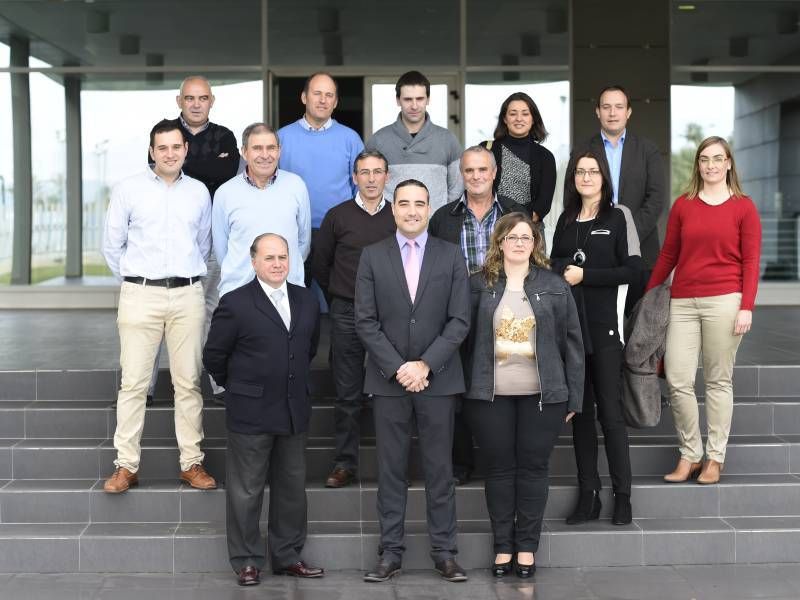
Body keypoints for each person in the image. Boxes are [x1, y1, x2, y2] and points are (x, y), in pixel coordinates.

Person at [355, 179, 470, 583]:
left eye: (420, 204)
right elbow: (365, 322)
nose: (412, 211)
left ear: (428, 208)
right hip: (389, 381)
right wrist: (399, 367)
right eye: (403, 203)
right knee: (390, 470)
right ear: (393, 209)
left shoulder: (451, 256)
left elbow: (460, 320)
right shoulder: (371, 257)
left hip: (438, 380)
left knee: (440, 469)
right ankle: (390, 552)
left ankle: (445, 552)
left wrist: (425, 365)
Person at [463, 212, 583, 578]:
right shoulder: (477, 285)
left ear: (535, 244)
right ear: (499, 242)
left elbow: (574, 344)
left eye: (526, 237)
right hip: (489, 396)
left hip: (543, 397)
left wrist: (573, 398)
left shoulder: (554, 286)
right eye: (512, 237)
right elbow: (462, 341)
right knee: (498, 470)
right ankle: (503, 546)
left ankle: (527, 547)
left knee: (533, 470)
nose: (519, 243)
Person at [101, 119, 216, 494]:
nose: (169, 153)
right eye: (161, 147)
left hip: (187, 295)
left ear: (186, 149)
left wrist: (178, 278)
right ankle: (125, 466)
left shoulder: (199, 192)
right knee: (133, 383)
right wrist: (139, 282)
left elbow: (203, 245)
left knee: (188, 383)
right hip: (140, 295)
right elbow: (111, 246)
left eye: (175, 147)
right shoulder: (128, 189)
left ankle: (191, 463)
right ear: (152, 151)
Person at [203, 233, 323, 586]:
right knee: (246, 490)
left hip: (293, 409)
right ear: (253, 262)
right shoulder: (236, 302)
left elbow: (308, 348)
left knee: (291, 488)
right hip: (250, 412)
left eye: (282, 257)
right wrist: (240, 387)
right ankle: (246, 561)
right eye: (269, 258)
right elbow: (214, 356)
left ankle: (287, 557)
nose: (277, 264)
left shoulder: (305, 300)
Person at [648, 136, 761, 485]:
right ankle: (690, 454)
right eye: (704, 159)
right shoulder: (684, 205)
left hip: (726, 301)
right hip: (682, 300)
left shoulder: (744, 207)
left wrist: (747, 306)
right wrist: (650, 294)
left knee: (717, 380)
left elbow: (752, 261)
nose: (710, 165)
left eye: (717, 159)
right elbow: (669, 254)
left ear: (728, 163)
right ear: (698, 165)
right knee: (679, 378)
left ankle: (715, 458)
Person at [551, 151, 643, 526]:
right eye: (580, 171)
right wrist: (564, 271)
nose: (586, 177)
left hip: (606, 331)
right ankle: (588, 495)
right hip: (572, 335)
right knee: (581, 417)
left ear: (604, 177)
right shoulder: (566, 219)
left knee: (610, 415)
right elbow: (553, 265)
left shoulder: (618, 216)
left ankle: (623, 497)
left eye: (593, 171)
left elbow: (635, 271)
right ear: (573, 178)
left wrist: (585, 276)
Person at [144, 76, 240, 406]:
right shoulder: (165, 131)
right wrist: (206, 166)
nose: (196, 104)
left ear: (211, 100)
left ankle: (214, 383)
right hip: (167, 238)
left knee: (210, 310)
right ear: (179, 100)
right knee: (154, 316)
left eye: (202, 98)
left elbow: (226, 172)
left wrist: (185, 165)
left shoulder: (225, 135)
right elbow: (160, 169)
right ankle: (147, 389)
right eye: (190, 98)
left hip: (209, 237)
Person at [428, 145, 520, 485]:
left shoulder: (514, 213)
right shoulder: (443, 218)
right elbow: (432, 270)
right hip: (458, 314)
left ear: (494, 173)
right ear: (461, 175)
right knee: (459, 389)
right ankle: (461, 463)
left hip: (507, 312)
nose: (476, 176)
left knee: (505, 387)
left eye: (483, 170)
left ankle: (502, 462)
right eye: (469, 171)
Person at [311, 150, 396, 488]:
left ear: (387, 176)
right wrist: (339, 293)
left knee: (391, 389)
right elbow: (320, 264)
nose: (371, 178)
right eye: (364, 172)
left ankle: (393, 462)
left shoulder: (399, 215)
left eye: (377, 172)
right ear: (354, 177)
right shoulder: (337, 216)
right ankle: (345, 463)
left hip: (391, 313)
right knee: (347, 393)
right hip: (347, 311)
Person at [568, 85, 666, 269]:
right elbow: (571, 195)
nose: (612, 113)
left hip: (641, 248)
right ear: (598, 111)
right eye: (606, 107)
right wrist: (598, 234)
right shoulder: (582, 150)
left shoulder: (648, 150)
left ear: (628, 112)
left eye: (619, 107)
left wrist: (626, 234)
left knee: (639, 299)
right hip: (592, 247)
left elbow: (656, 200)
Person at [212, 123, 311, 298]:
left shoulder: (296, 186)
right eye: (257, 148)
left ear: (279, 151)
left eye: (271, 148)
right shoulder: (225, 193)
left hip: (287, 294)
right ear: (244, 152)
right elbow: (222, 252)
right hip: (238, 293)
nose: (265, 155)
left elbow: (303, 243)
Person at [277, 72, 364, 231]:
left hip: (340, 231)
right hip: (291, 230)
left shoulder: (351, 139)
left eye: (329, 95)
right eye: (317, 93)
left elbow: (361, 186)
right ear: (304, 98)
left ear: (335, 102)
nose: (323, 100)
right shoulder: (281, 138)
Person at [365, 71, 463, 211]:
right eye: (408, 99)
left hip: (435, 228)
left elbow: (457, 189)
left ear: (428, 99)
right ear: (398, 100)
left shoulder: (448, 140)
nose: (414, 106)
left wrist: (443, 218)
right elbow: (368, 186)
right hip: (389, 227)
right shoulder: (378, 141)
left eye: (420, 98)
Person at [480, 92, 556, 228]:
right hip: (491, 228)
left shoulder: (545, 157)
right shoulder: (486, 150)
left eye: (525, 114)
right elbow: (476, 190)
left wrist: (518, 228)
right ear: (504, 118)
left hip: (529, 230)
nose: (519, 118)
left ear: (533, 119)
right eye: (513, 113)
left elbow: (543, 204)